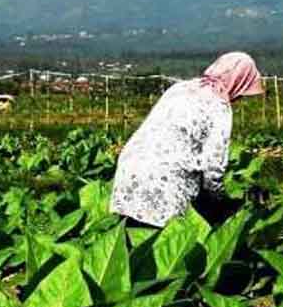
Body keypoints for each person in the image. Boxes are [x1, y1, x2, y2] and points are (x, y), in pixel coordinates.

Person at [110, 52, 265, 228]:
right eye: (243, 92)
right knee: (165, 242)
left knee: (132, 238)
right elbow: (213, 166)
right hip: (166, 179)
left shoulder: (180, 88)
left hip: (130, 166)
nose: (240, 98)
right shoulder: (219, 105)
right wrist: (221, 201)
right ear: (238, 82)